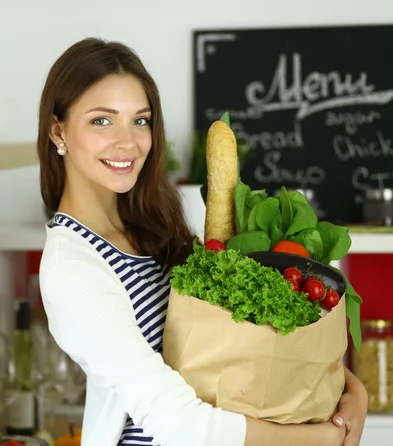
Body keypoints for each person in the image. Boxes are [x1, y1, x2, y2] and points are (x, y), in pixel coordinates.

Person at [36, 37, 368, 446]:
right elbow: (179, 424)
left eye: (140, 120)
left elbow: (245, 340)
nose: (128, 142)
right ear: (58, 131)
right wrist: (324, 438)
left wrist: (354, 391)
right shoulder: (73, 270)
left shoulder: (159, 223)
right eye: (102, 121)